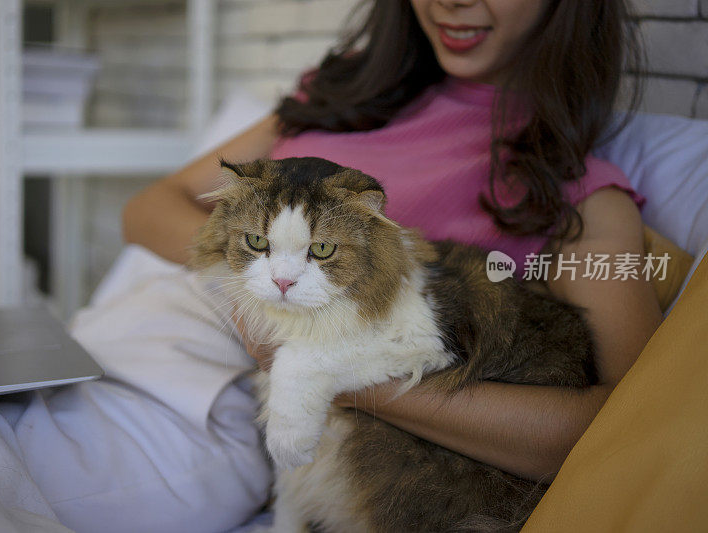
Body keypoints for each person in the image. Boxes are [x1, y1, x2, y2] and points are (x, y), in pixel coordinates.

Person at [123, 0, 662, 488]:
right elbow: (149, 208)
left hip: (237, 410)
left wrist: (330, 370)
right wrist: (244, 277)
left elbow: (622, 425)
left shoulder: (581, 193)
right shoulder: (335, 93)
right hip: (154, 329)